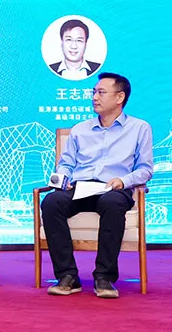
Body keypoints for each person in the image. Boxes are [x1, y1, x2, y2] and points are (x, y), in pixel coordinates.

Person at [41, 72, 153, 299]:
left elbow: (145, 169)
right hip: (81, 187)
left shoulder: (139, 128)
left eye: (101, 92)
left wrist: (123, 181)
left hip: (114, 188)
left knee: (112, 203)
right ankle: (67, 275)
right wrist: (63, 179)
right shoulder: (80, 129)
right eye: (94, 92)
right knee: (52, 202)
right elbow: (66, 164)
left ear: (120, 97)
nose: (94, 97)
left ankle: (104, 276)